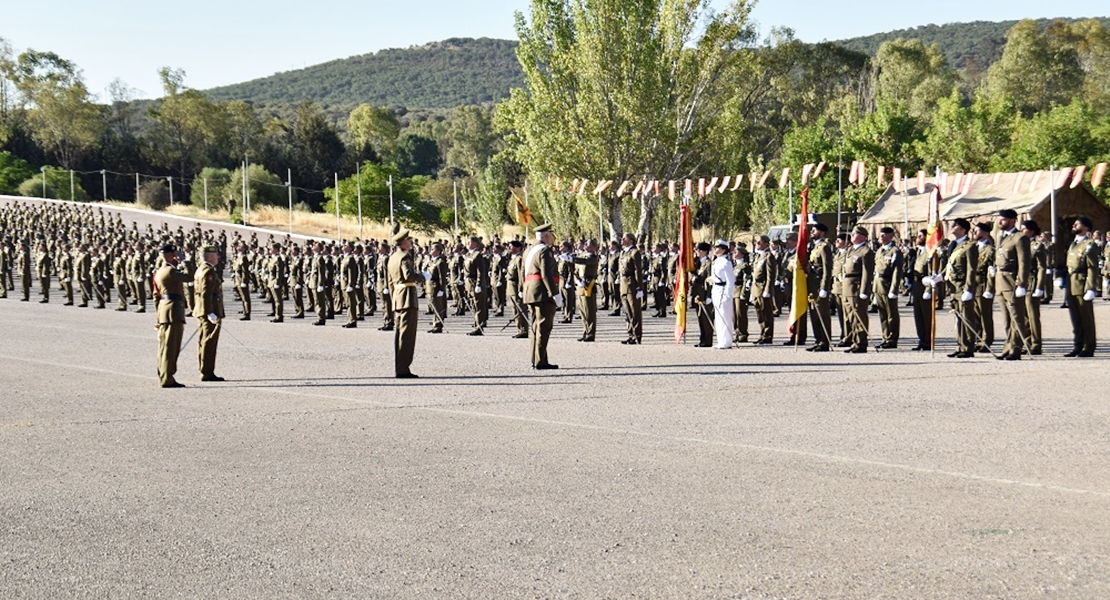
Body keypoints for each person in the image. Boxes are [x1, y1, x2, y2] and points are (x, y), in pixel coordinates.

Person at [936, 219, 978, 358]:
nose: (952, 227)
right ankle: (961, 345)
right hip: (953, 287)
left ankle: (968, 347)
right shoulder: (953, 245)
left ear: (963, 229)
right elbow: (949, 265)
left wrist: (969, 289)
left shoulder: (970, 246)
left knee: (966, 318)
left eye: (955, 225)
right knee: (958, 318)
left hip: (962, 286)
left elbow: (971, 270)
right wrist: (939, 277)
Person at [153, 244, 193, 388]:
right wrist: (185, 261)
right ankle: (167, 378)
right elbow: (190, 277)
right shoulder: (170, 271)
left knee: (164, 347)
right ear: (171, 255)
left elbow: (155, 296)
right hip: (173, 311)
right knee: (171, 347)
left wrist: (158, 317)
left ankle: (163, 374)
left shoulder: (159, 271)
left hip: (164, 311)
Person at [994, 209, 1031, 361]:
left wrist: (1022, 284)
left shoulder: (1020, 238)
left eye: (1003, 220)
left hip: (1011, 282)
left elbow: (1024, 263)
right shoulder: (1000, 237)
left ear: (1012, 220)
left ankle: (1015, 348)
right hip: (1000, 282)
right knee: (1006, 319)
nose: (999, 222)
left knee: (1017, 317)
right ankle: (1008, 346)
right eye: (999, 219)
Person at [523, 224, 561, 369]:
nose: (553, 238)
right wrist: (555, 294)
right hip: (542, 293)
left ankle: (536, 358)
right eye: (551, 235)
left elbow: (523, 272)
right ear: (546, 236)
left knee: (535, 327)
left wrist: (524, 289)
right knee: (544, 327)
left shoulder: (528, 250)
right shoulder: (545, 250)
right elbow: (546, 274)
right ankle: (540, 361)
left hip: (530, 291)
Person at [388, 228, 422, 378]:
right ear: (404, 242)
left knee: (400, 334)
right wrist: (422, 277)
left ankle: (400, 366)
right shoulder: (404, 257)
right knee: (407, 336)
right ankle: (403, 369)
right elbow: (408, 275)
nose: (411, 243)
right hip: (407, 297)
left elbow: (390, 281)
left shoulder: (393, 257)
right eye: (409, 241)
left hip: (398, 297)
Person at [1063, 216, 1099, 357]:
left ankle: (1088, 346)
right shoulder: (1074, 244)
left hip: (1082, 283)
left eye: (1077, 224)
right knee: (1075, 318)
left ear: (1086, 228)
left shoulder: (1090, 244)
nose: (1074, 225)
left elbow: (1092, 268)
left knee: (1086, 318)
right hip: (1071, 282)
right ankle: (1078, 345)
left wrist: (1090, 288)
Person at [193, 245, 225, 381]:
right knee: (209, 342)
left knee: (203, 341)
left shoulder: (200, 269)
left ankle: (204, 368)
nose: (217, 257)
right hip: (209, 311)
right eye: (216, 255)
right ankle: (207, 372)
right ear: (210, 256)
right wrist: (210, 312)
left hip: (202, 310)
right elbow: (206, 294)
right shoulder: (208, 271)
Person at [842, 227, 874, 353]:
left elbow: (867, 273)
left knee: (859, 316)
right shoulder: (851, 250)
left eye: (855, 234)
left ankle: (861, 343)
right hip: (847, 287)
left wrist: (864, 291)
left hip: (856, 286)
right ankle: (855, 341)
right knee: (850, 316)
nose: (852, 235)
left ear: (863, 236)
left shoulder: (866, 252)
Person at [873, 226, 902, 349]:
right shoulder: (880, 251)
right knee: (882, 313)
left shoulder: (895, 251)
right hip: (878, 284)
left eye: (884, 235)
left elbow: (897, 271)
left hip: (887, 284)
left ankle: (892, 338)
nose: (881, 237)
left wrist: (894, 289)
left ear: (891, 236)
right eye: (880, 235)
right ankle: (885, 337)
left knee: (891, 314)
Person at [807, 223, 833, 352]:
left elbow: (827, 269)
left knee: (822, 314)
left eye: (815, 230)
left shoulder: (824, 248)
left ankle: (825, 341)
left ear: (822, 233)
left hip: (819, 284)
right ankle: (818, 339)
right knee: (814, 314)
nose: (812, 231)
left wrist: (824, 287)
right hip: (811, 284)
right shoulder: (813, 247)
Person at [1023, 220, 1047, 355]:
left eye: (1024, 229)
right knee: (1023, 315)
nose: (1021, 231)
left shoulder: (1037, 246)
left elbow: (1041, 267)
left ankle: (1036, 343)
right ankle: (1026, 341)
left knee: (1032, 315)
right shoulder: (1020, 244)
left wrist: (1039, 286)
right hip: (1021, 283)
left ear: (1031, 231)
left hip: (1032, 282)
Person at [973, 222, 995, 352]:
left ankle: (987, 340)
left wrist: (990, 288)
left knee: (984, 314)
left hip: (983, 284)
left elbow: (991, 270)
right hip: (973, 285)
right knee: (975, 315)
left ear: (986, 233)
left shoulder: (990, 250)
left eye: (978, 231)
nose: (975, 233)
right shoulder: (973, 247)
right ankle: (978, 338)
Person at [750, 235, 777, 344]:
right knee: (760, 313)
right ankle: (762, 334)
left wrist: (768, 290)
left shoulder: (768, 256)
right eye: (756, 242)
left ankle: (768, 335)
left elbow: (771, 275)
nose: (757, 244)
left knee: (766, 313)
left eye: (759, 242)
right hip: (756, 289)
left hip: (763, 288)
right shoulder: (758, 256)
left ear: (766, 243)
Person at [709, 239, 736, 349]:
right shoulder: (716, 260)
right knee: (719, 317)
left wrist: (727, 295)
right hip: (716, 290)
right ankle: (721, 340)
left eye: (718, 247)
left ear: (724, 250)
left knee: (725, 316)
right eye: (715, 247)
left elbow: (730, 281)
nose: (715, 249)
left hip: (723, 290)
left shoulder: (726, 262)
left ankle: (726, 341)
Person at [618, 233, 643, 344]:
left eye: (625, 238)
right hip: (623, 286)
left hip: (632, 285)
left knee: (635, 312)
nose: (622, 239)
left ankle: (637, 335)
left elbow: (638, 271)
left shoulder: (635, 253)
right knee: (627, 312)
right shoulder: (623, 252)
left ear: (631, 240)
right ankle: (630, 334)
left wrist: (639, 287)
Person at [573, 239, 600, 342]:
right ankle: (585, 330)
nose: (585, 245)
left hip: (588, 286)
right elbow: (576, 269)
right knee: (583, 311)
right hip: (580, 286)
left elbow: (586, 262)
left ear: (593, 247)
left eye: (588, 244)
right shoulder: (582, 256)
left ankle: (591, 332)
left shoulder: (594, 257)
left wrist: (572, 259)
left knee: (589, 311)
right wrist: (577, 280)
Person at [505, 240, 529, 339]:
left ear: (517, 248)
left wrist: (521, 289)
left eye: (511, 246)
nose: (509, 248)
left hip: (516, 287)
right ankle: (519, 328)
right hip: (511, 288)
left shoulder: (519, 259)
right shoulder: (512, 259)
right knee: (515, 310)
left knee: (520, 309)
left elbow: (521, 275)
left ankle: (523, 330)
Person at [691, 242, 714, 347]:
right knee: (700, 317)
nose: (697, 252)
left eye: (699, 250)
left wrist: (709, 295)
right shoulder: (697, 262)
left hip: (705, 293)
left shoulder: (709, 264)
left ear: (705, 251)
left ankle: (708, 340)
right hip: (697, 293)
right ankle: (702, 339)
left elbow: (709, 280)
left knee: (706, 318)